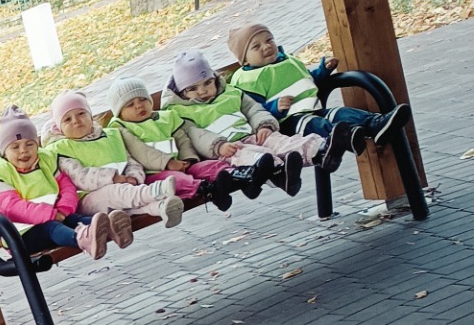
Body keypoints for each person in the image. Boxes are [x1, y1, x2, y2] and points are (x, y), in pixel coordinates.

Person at [226, 21, 408, 167]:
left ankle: (375, 124)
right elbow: (251, 111)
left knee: (339, 113)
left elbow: (306, 79)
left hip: (311, 109)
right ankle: (347, 136)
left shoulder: (287, 61)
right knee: (316, 124)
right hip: (286, 123)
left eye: (269, 40)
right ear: (244, 60)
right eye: (256, 46)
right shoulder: (247, 79)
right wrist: (275, 107)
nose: (266, 46)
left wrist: (323, 70)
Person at [164, 48, 324, 195]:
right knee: (252, 156)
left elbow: (253, 109)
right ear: (182, 93)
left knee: (277, 141)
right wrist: (219, 146)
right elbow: (196, 136)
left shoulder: (230, 93)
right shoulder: (181, 112)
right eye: (192, 89)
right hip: (226, 149)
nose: (202, 91)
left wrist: (264, 125)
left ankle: (319, 150)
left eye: (207, 83)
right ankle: (280, 174)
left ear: (215, 79)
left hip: (252, 135)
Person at [0, 105, 116, 259]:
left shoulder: (45, 161)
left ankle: (110, 227)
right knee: (52, 228)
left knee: (74, 219)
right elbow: (11, 207)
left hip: (54, 217)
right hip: (21, 235)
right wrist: (50, 214)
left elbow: (67, 187)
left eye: (29, 144)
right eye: (15, 147)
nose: (23, 150)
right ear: (4, 151)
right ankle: (84, 239)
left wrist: (63, 209)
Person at [43, 88, 184, 241]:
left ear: (90, 116)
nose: (76, 121)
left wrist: (134, 177)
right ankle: (156, 191)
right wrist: (114, 178)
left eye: (81, 114)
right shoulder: (60, 149)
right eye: (67, 119)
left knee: (123, 200)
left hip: (123, 192)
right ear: (59, 128)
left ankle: (160, 208)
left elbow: (130, 160)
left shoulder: (110, 136)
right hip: (87, 200)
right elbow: (81, 177)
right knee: (115, 192)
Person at [103, 74, 244, 212]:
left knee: (208, 166)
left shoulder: (165, 117)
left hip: (180, 164)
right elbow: (141, 152)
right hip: (153, 174)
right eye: (130, 105)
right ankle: (208, 190)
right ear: (119, 113)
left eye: (143, 99)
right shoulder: (121, 128)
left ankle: (237, 176)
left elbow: (181, 139)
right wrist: (168, 163)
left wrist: (188, 158)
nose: (139, 106)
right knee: (176, 180)